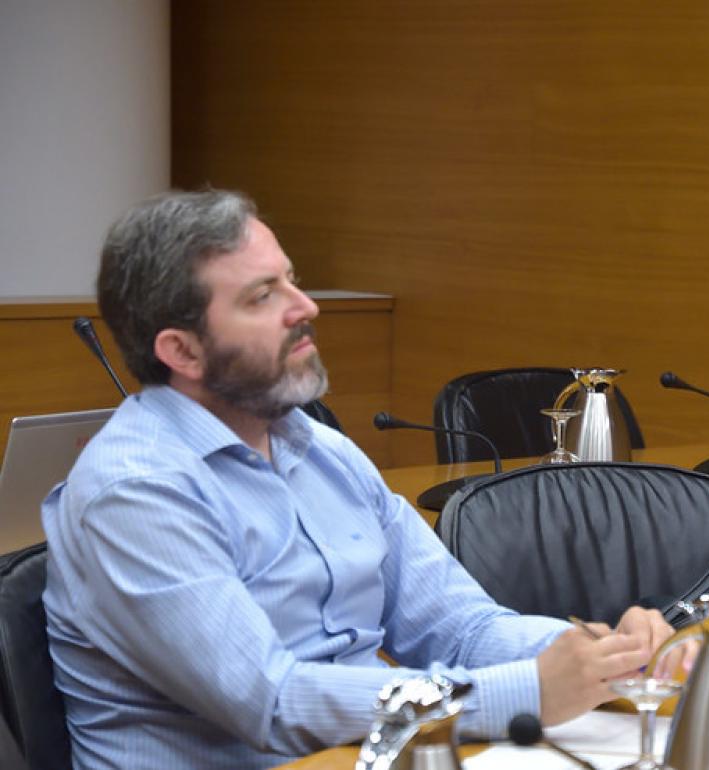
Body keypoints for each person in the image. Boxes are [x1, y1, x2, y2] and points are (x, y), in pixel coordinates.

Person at [42, 190, 673, 770]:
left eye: (291, 279)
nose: (306, 307)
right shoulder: (136, 489)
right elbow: (273, 702)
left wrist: (598, 653)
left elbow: (458, 625)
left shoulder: (321, 450)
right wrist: (525, 691)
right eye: (263, 296)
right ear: (181, 352)